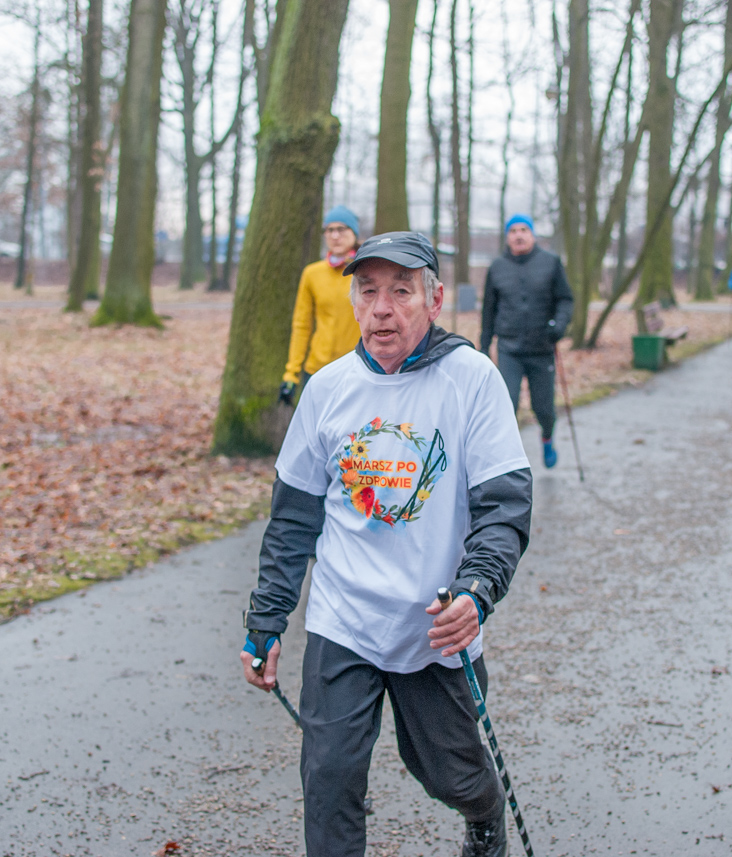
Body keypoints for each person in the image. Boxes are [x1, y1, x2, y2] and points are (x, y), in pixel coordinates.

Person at [241, 231, 533, 857]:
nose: (382, 308)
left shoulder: (472, 380)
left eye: (401, 292)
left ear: (434, 300)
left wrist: (477, 591)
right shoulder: (326, 390)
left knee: (449, 774)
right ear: (351, 302)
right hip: (344, 619)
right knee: (330, 777)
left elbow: (504, 508)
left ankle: (483, 816)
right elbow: (293, 520)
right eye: (367, 291)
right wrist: (266, 620)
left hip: (436, 624)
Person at [479, 213, 574, 469]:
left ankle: (546, 436)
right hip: (509, 347)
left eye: (524, 230)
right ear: (507, 237)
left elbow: (565, 299)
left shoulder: (551, 263)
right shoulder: (497, 267)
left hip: (541, 346)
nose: (518, 235)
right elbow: (489, 309)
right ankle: (507, 459)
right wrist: (484, 346)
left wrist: (559, 325)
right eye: (513, 231)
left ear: (532, 235)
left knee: (543, 407)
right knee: (506, 404)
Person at [279, 205, 363, 405]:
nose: (335, 236)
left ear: (354, 234)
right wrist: (292, 373)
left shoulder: (365, 272)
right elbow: (302, 325)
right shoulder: (312, 274)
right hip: (318, 371)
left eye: (342, 229)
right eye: (329, 230)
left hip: (358, 369)